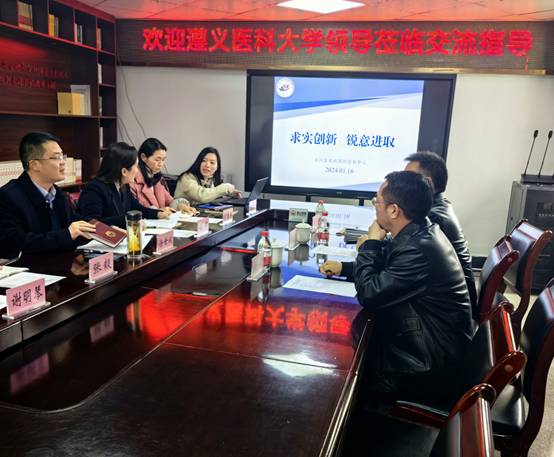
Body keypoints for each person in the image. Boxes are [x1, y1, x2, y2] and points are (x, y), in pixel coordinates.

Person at [320, 171, 472, 401]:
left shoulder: (419, 249)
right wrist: (345, 268)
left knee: (338, 366)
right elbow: (390, 270)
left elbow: (369, 293)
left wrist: (371, 243)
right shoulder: (420, 232)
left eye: (377, 202)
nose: (375, 208)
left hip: (427, 365)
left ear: (393, 210)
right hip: (428, 343)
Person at [404, 151, 478, 317]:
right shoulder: (439, 206)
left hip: (445, 313)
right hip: (450, 302)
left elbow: (402, 259)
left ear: (427, 183)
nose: (401, 184)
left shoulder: (432, 219)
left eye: (407, 178)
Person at [0, 132, 96, 258]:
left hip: (60, 263)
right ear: (34, 165)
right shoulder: (8, 196)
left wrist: (111, 229)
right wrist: (66, 235)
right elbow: (14, 243)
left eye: (62, 156)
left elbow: (73, 221)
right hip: (30, 267)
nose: (63, 162)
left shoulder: (58, 193)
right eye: (56, 157)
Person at [78, 142, 171, 228]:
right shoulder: (94, 189)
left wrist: (157, 214)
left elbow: (135, 207)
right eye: (136, 166)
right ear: (124, 172)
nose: (137, 171)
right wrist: (128, 220)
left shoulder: (123, 185)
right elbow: (92, 223)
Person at [130, 138, 197, 215]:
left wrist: (181, 206)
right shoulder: (132, 180)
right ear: (143, 157)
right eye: (157, 160)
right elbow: (135, 210)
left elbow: (169, 200)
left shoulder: (156, 178)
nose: (161, 164)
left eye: (163, 160)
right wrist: (158, 212)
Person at [174, 147, 240, 206]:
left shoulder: (209, 179)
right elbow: (202, 196)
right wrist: (226, 187)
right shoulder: (186, 178)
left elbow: (212, 194)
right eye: (204, 161)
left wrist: (230, 193)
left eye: (212, 162)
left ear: (217, 167)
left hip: (199, 213)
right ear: (199, 163)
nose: (207, 165)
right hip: (182, 214)